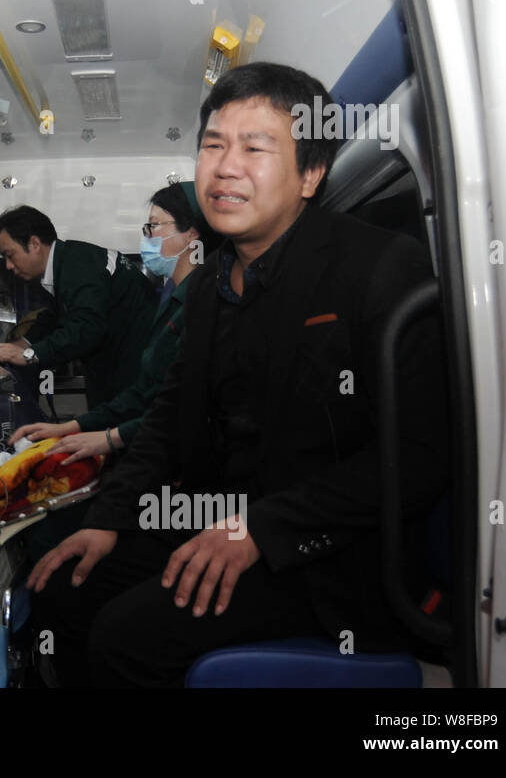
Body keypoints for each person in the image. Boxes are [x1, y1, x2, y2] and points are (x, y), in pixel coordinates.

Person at [26, 62, 450, 687]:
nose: (226, 167)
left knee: (126, 638)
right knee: (63, 584)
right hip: (218, 515)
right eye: (213, 145)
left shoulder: (379, 266)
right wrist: (109, 519)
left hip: (327, 553)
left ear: (310, 173)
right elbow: (169, 419)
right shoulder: (209, 287)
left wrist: (262, 528)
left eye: (256, 148)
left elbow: (419, 456)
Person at [10, 181, 220, 457]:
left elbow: (183, 410)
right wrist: (70, 427)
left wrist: (110, 439)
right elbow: (142, 394)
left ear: (191, 234)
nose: (146, 236)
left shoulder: (203, 304)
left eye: (154, 226)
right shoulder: (171, 302)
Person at [0, 205, 156, 408]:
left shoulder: (79, 266)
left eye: (10, 255)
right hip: (121, 374)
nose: (7, 265)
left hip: (136, 377)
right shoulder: (65, 266)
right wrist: (23, 343)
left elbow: (86, 326)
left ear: (34, 243)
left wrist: (31, 355)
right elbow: (55, 318)